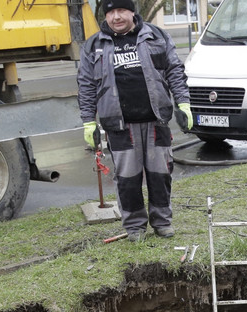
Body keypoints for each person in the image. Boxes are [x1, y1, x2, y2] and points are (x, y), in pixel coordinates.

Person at [77, 0, 191, 242]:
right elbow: (86, 85)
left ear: (132, 12)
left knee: (160, 175)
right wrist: (88, 121)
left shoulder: (156, 36)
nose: (116, 17)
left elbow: (174, 70)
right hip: (120, 125)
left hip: (156, 121)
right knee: (127, 179)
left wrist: (183, 103)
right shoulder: (94, 45)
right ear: (105, 16)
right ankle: (135, 227)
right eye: (111, 12)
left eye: (121, 11)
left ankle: (162, 222)